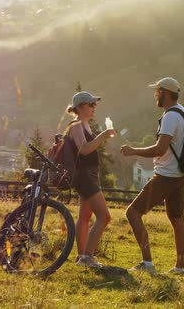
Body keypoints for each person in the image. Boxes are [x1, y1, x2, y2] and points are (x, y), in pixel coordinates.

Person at [120, 77, 184, 276]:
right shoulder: (183, 112)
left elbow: (160, 149)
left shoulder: (170, 117)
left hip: (166, 175)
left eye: (157, 91)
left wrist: (133, 150)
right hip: (180, 174)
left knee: (132, 213)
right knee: (177, 218)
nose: (155, 95)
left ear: (165, 93)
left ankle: (147, 263)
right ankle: (180, 267)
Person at [66, 91, 116, 268]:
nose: (94, 107)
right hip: (86, 177)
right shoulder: (76, 125)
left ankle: (81, 257)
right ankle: (87, 256)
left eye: (94, 104)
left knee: (85, 216)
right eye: (90, 104)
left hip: (89, 175)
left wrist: (100, 136)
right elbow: (84, 149)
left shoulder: (84, 125)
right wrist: (103, 136)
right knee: (104, 216)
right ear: (80, 107)